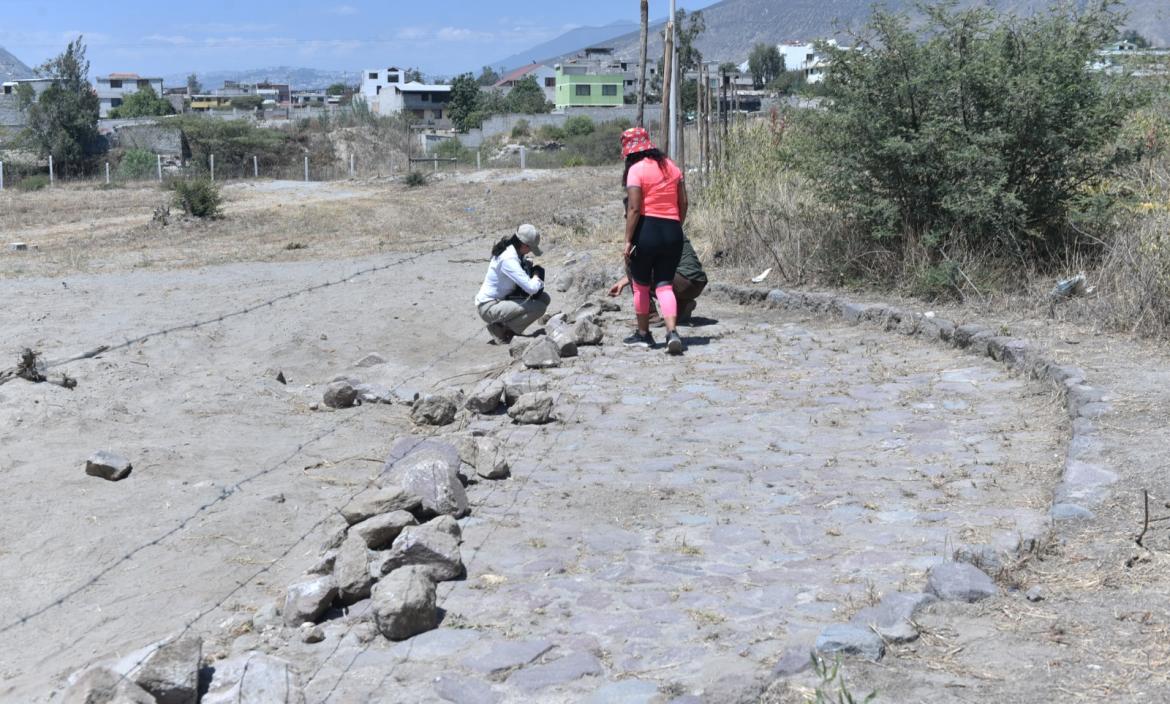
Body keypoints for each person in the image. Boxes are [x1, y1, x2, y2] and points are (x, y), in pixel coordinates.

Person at [619, 126, 688, 354]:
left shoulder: (636, 170)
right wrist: (676, 226)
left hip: (646, 232)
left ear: (630, 152)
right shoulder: (672, 166)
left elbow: (635, 208)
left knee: (640, 286)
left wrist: (628, 240)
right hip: (672, 231)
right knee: (664, 284)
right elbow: (684, 203)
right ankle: (672, 332)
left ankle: (644, 335)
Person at [474, 224, 550, 344]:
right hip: (489, 307)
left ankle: (503, 327)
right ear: (524, 245)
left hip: (500, 301)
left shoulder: (511, 249)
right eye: (530, 248)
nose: (530, 251)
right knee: (540, 307)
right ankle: (503, 331)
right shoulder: (509, 259)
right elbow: (532, 288)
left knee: (544, 298)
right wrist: (536, 275)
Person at [608, 235, 707, 325]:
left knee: (632, 261)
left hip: (682, 281)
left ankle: (650, 315)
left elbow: (642, 268)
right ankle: (683, 304)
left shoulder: (650, 230)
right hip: (697, 283)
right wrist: (622, 282)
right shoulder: (670, 226)